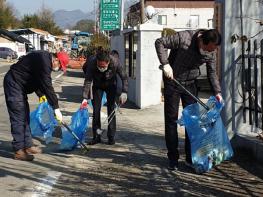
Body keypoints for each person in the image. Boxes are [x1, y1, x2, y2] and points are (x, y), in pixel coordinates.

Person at [155, 29, 223, 171]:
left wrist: (217, 92)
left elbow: (211, 72)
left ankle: (190, 158)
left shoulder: (211, 50)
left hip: (191, 83)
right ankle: (173, 159)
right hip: (172, 81)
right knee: (172, 120)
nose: (210, 52)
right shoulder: (184, 38)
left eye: (213, 49)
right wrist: (165, 63)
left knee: (192, 122)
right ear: (201, 41)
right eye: (208, 48)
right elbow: (160, 42)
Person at [3, 50, 69, 161]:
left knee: (25, 116)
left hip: (21, 86)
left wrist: (41, 95)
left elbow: (38, 80)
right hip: (14, 83)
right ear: (56, 59)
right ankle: (19, 150)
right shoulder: (44, 61)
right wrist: (56, 108)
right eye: (60, 65)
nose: (59, 68)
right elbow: (46, 84)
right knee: (18, 117)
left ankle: (28, 145)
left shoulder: (44, 60)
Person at [81, 49, 128, 145]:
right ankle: (96, 136)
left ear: (108, 62)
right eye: (99, 66)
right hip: (98, 86)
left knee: (111, 109)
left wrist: (124, 92)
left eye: (103, 67)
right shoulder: (92, 62)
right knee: (96, 110)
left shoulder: (115, 62)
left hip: (111, 85)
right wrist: (85, 97)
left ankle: (111, 137)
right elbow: (88, 80)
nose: (101, 68)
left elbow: (124, 77)